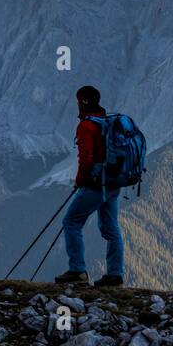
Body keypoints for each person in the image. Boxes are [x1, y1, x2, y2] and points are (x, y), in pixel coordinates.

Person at [54, 85, 124, 286]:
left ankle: (77, 271)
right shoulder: (107, 121)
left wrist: (79, 181)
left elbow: (86, 159)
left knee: (71, 222)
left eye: (78, 101)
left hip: (95, 185)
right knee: (111, 229)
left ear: (83, 101)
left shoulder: (86, 126)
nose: (77, 104)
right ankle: (115, 275)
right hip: (113, 184)